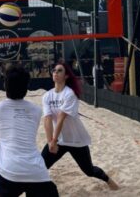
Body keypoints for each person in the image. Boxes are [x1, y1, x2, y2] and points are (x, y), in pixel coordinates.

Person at [41, 62, 119, 191]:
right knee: (40, 166)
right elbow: (47, 119)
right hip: (59, 139)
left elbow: (61, 117)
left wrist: (53, 141)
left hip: (76, 140)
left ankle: (108, 180)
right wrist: (50, 142)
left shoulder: (69, 94)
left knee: (89, 171)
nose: (55, 72)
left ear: (66, 76)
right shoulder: (47, 96)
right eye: (54, 70)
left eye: (59, 71)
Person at [0, 65, 59, 197]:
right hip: (36, 171)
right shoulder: (36, 111)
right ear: (26, 88)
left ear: (5, 85)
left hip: (8, 172)